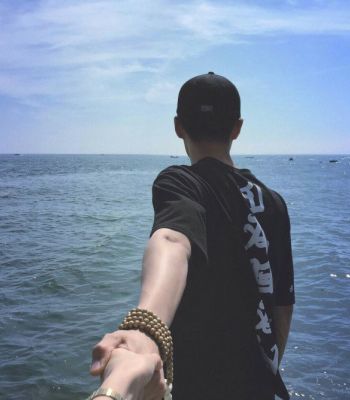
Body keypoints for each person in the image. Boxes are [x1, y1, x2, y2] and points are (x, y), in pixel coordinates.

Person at [88, 72, 295, 400]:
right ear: (237, 128)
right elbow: (283, 306)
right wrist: (268, 371)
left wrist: (146, 328)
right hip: (259, 387)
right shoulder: (274, 203)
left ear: (178, 126)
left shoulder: (181, 182)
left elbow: (172, 240)